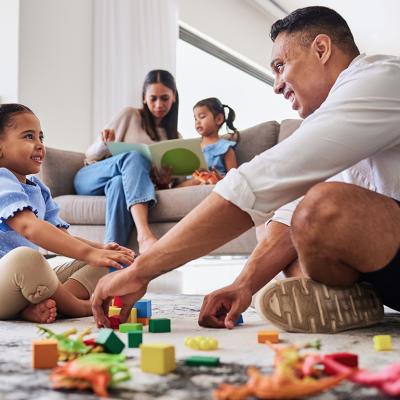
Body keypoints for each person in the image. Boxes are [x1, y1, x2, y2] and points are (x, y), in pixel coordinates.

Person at [91, 6, 400, 334]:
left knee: (323, 208)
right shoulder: (337, 123)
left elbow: (262, 181)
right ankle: (350, 299)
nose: (277, 85)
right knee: (287, 233)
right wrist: (244, 285)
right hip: (385, 262)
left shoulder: (381, 79)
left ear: (321, 49)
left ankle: (341, 294)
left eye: (281, 66)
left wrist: (141, 271)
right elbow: (287, 212)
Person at [0, 103, 135, 323]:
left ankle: (38, 306)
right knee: (27, 259)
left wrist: (100, 249)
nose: (39, 145)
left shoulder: (38, 187)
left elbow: (62, 237)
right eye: (28, 137)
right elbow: (29, 227)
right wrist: (90, 253)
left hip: (28, 284)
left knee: (117, 260)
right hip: (6, 283)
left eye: (40, 137)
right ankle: (79, 307)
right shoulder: (1, 178)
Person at [74, 70, 179, 254]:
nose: (158, 104)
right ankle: (144, 235)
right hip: (92, 177)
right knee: (135, 156)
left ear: (174, 97)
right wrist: (104, 144)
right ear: (144, 98)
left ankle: (113, 266)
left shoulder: (175, 137)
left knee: (119, 184)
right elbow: (90, 154)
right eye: (153, 98)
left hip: (120, 184)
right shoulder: (130, 115)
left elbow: (168, 183)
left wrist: (164, 183)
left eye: (164, 98)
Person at [178, 98, 238, 187]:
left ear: (219, 119)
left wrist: (218, 178)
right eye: (195, 118)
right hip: (192, 186)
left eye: (202, 117)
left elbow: (235, 180)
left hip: (215, 186)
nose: (197, 121)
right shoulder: (194, 148)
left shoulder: (225, 148)